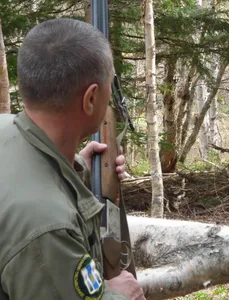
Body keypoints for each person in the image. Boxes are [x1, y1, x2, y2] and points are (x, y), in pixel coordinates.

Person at [0, 18, 145, 299]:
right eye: (108, 85)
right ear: (91, 99)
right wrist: (117, 295)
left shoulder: (5, 127)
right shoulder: (47, 225)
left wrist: (75, 166)